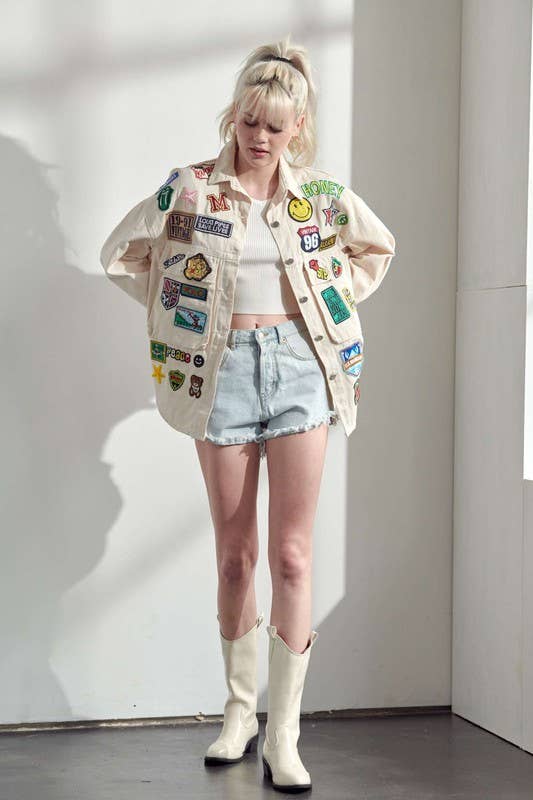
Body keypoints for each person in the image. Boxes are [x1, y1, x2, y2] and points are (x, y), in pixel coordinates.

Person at [100, 34, 395, 794]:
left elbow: (375, 250)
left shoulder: (317, 197)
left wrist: (326, 306)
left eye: (275, 125)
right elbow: (121, 253)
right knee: (236, 554)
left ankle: (284, 733)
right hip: (220, 374)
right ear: (233, 116)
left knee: (292, 555)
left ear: (298, 127)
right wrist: (181, 316)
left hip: (299, 371)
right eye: (249, 120)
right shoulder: (191, 189)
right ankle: (238, 715)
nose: (259, 137)